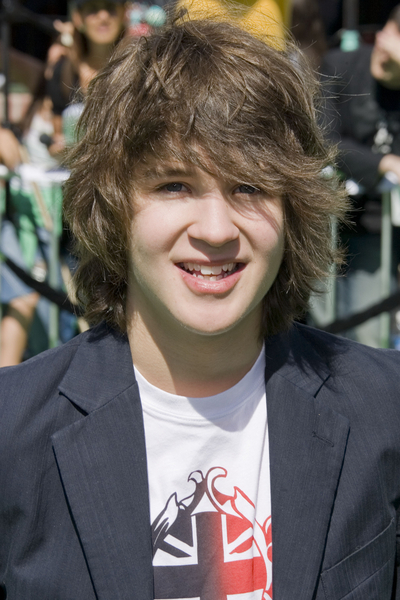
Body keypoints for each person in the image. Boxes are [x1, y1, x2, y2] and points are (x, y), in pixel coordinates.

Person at [0, 18, 400, 600]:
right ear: (113, 208)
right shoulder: (12, 432)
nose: (216, 230)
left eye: (250, 188)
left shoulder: (384, 410)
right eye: (174, 186)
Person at [320, 5, 400, 346]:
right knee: (309, 328)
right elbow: (323, 139)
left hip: (375, 231)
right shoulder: (339, 65)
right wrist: (384, 164)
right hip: (321, 222)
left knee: (364, 338)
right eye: (394, 35)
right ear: (382, 31)